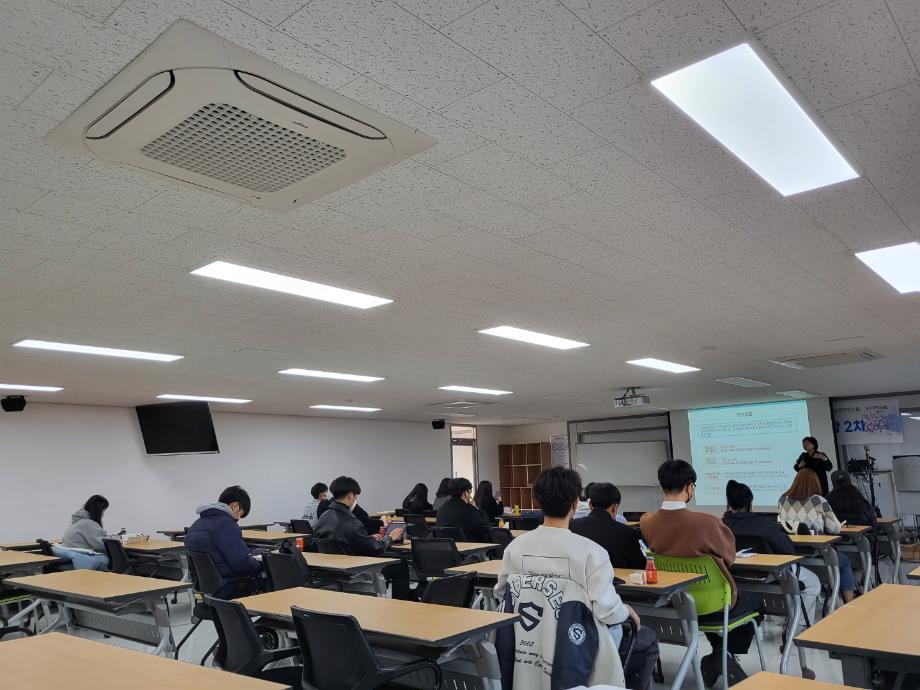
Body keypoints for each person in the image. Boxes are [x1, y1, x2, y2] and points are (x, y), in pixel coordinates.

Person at [495, 466, 658, 690]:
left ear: (538, 502)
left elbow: (502, 594)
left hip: (524, 650)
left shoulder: (515, 547)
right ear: (575, 503)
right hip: (578, 652)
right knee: (647, 639)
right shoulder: (591, 552)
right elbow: (606, 611)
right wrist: (626, 611)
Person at [640, 460, 763, 686]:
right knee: (756, 602)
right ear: (689, 487)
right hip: (715, 603)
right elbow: (729, 558)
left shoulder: (647, 522)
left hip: (674, 601)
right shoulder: (708, 523)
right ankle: (722, 655)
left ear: (661, 487)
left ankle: (720, 654)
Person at [723, 479, 820, 675]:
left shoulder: (721, 525)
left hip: (736, 581)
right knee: (813, 583)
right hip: (774, 576)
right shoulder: (764, 524)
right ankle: (794, 629)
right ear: (750, 502)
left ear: (729, 503)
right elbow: (788, 551)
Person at [314, 476, 414, 600]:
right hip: (355, 569)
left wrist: (367, 537)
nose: (355, 499)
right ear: (351, 495)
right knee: (401, 565)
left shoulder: (324, 517)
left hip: (331, 569)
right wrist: (390, 538)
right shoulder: (350, 520)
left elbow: (345, 538)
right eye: (356, 496)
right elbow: (374, 548)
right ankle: (402, 604)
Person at [778, 469, 856, 603]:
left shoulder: (782, 500)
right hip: (819, 554)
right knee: (845, 562)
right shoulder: (818, 500)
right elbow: (835, 529)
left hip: (793, 555)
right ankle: (850, 604)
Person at [185, 485, 263, 599]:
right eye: (240, 514)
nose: (238, 519)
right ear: (235, 506)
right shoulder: (226, 524)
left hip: (207, 590)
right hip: (228, 587)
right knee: (266, 580)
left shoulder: (196, 525)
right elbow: (242, 564)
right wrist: (260, 565)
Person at [571, 482, 646, 570]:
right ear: (615, 507)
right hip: (617, 579)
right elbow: (639, 566)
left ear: (590, 504)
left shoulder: (573, 526)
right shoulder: (627, 533)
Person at [54, 495, 117, 570]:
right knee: (113, 558)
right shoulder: (89, 523)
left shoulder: (78, 520)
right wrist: (115, 538)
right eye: (103, 510)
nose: (103, 513)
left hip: (69, 553)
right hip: (78, 553)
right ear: (99, 510)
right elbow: (101, 544)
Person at [435, 477, 491, 542]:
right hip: (470, 546)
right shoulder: (469, 510)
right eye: (470, 491)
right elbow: (483, 529)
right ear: (466, 493)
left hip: (448, 546)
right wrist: (476, 508)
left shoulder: (442, 508)